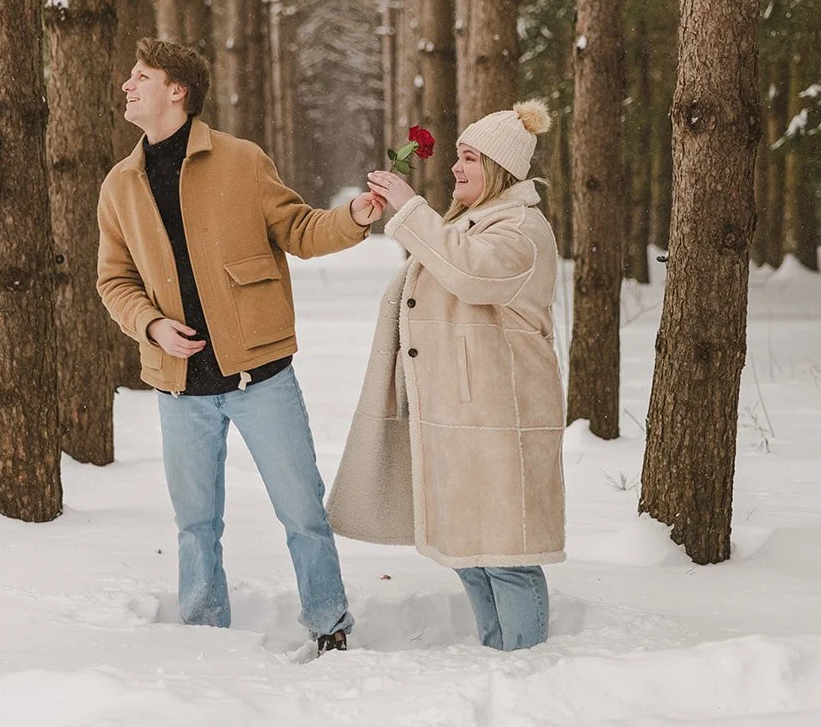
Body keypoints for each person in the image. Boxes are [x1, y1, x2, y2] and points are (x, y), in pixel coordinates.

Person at [96, 37, 382, 654]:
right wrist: (150, 325)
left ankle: (329, 624)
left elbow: (300, 230)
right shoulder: (120, 185)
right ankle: (204, 637)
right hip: (179, 385)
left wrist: (355, 216)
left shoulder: (240, 160)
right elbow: (113, 280)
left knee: (301, 512)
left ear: (178, 91)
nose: (127, 85)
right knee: (195, 524)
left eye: (140, 76)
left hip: (261, 376)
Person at [327, 100, 565, 652]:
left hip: (501, 418)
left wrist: (411, 209)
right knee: (470, 558)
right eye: (457, 156)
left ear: (500, 169)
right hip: (460, 417)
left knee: (507, 557)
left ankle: (527, 666)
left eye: (470, 158)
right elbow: (443, 261)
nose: (456, 168)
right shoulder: (477, 221)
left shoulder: (523, 230)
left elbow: (468, 270)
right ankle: (496, 654)